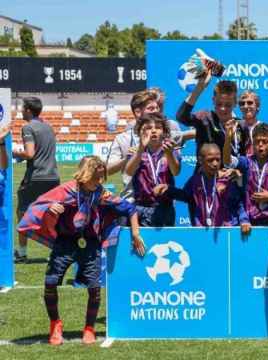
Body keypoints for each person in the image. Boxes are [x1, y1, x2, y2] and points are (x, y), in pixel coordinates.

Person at [17, 156, 145, 345]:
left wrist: (135, 233)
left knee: (94, 287)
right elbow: (38, 206)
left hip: (90, 243)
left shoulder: (101, 194)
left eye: (102, 178)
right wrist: (51, 208)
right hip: (65, 242)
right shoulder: (66, 190)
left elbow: (130, 208)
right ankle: (55, 324)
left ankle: (89, 328)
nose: (101, 182)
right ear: (86, 174)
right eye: (97, 178)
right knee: (50, 283)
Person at [154, 143, 250, 231]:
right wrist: (168, 189)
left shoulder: (227, 179)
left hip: (226, 231)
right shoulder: (195, 180)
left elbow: (238, 203)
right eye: (210, 160)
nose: (215, 164)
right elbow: (185, 195)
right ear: (200, 160)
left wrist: (244, 220)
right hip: (202, 232)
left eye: (218, 159)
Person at [106, 90, 183, 200]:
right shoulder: (123, 139)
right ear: (137, 112)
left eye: (157, 108)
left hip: (163, 203)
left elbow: (176, 170)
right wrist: (127, 160)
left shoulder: (166, 135)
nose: (156, 111)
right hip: (132, 200)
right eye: (151, 109)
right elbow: (108, 170)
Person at [13, 97, 60, 263]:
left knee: (22, 213)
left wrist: (15, 153)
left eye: (22, 108)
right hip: (53, 176)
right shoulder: (49, 127)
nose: (20, 110)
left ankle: (22, 253)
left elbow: (30, 154)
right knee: (53, 214)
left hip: (36, 176)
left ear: (28, 110)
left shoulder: (28, 127)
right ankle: (59, 250)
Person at [224, 122, 268, 226]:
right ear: (252, 144)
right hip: (249, 221)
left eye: (265, 141)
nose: (260, 144)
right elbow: (227, 161)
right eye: (257, 141)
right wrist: (227, 139)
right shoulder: (246, 162)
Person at [176, 71, 247, 163]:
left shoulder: (241, 125)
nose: (223, 108)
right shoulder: (205, 118)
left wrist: (237, 170)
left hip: (232, 175)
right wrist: (199, 88)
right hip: (205, 176)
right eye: (219, 104)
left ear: (235, 103)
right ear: (213, 100)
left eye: (228, 105)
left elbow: (246, 159)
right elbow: (181, 117)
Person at [124, 113, 181, 226]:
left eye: (158, 128)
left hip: (165, 208)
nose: (153, 131)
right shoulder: (136, 151)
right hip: (141, 207)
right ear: (141, 132)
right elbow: (129, 171)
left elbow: (176, 172)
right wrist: (140, 149)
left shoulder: (171, 150)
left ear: (165, 132)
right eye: (148, 128)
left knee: (164, 242)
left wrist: (169, 154)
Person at [238, 90, 262, 156]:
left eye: (250, 103)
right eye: (242, 104)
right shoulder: (234, 127)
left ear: (257, 106)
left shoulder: (265, 128)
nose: (245, 106)